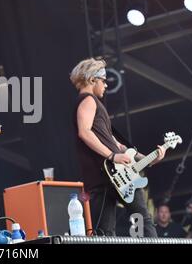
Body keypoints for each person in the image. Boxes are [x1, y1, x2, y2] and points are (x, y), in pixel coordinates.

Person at [70, 58, 166, 237]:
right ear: (92, 80)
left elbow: (119, 145)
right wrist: (112, 156)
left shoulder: (94, 104)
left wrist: (149, 158)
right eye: (104, 80)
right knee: (141, 222)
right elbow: (84, 132)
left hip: (112, 174)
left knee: (106, 232)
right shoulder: (88, 100)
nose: (106, 85)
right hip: (105, 172)